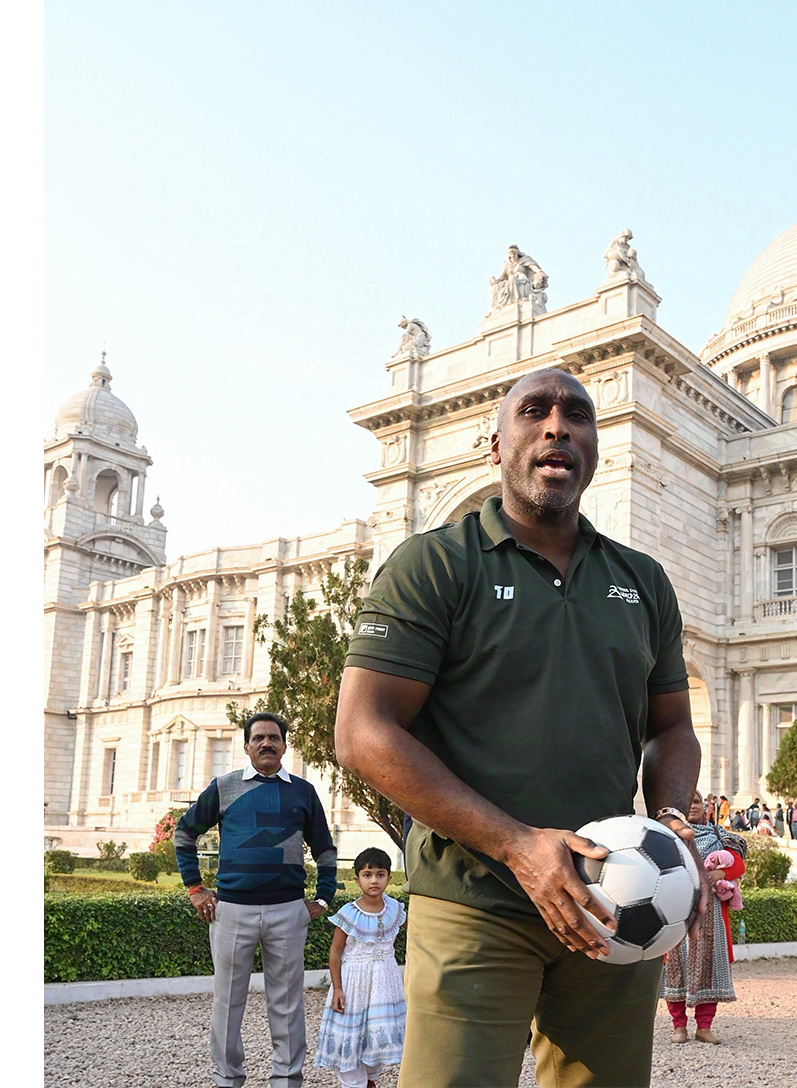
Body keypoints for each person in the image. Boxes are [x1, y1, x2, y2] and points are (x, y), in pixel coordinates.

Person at [334, 367, 708, 1088]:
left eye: (578, 415)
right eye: (534, 411)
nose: (557, 426)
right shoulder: (434, 565)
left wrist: (670, 822)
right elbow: (363, 732)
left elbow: (672, 728)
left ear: (594, 447)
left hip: (612, 898)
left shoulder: (643, 581)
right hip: (473, 899)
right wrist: (517, 846)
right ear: (496, 445)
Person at [175, 712, 338, 1088]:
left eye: (274, 737)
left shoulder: (303, 791)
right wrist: (195, 889)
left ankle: (287, 1080)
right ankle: (227, 1079)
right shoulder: (224, 786)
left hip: (288, 911)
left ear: (285, 745)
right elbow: (184, 833)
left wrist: (324, 898)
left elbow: (325, 848)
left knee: (287, 1003)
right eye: (259, 737)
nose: (267, 743)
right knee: (227, 1002)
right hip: (232, 911)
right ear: (247, 746)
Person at [314, 847, 407, 1088]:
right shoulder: (349, 914)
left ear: (389, 878)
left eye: (380, 874)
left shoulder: (395, 909)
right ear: (357, 880)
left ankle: (369, 1080)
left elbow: (418, 932)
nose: (374, 880)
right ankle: (353, 1082)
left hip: (385, 984)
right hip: (354, 984)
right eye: (367, 875)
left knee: (378, 1034)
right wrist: (337, 988)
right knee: (352, 1034)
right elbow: (335, 952)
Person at [661, 790, 747, 1045]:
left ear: (706, 806)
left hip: (711, 914)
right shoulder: (668, 836)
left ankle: (704, 1027)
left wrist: (721, 873)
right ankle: (679, 1026)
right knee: (676, 967)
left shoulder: (718, 835)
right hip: (678, 909)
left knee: (709, 966)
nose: (693, 806)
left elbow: (738, 864)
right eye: (688, 802)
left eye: (697, 801)